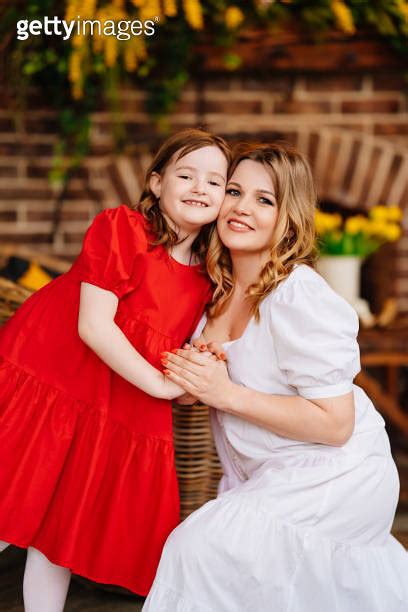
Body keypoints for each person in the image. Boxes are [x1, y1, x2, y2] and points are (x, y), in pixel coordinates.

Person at [143, 143, 408, 611]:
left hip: (338, 474)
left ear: (289, 217)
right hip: (266, 473)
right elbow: (199, 389)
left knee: (199, 547)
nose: (242, 208)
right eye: (234, 190)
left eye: (264, 200)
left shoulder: (298, 296)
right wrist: (192, 383)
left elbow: (335, 424)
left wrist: (225, 393)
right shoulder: (212, 294)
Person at [0, 128, 230, 611]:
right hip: (55, 378)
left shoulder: (208, 276)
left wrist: (191, 381)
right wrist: (161, 386)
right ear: (155, 183)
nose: (198, 188)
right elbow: (93, 326)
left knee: (59, 532)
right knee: (12, 504)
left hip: (111, 402)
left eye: (214, 182)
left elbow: (178, 359)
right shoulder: (124, 229)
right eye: (185, 175)